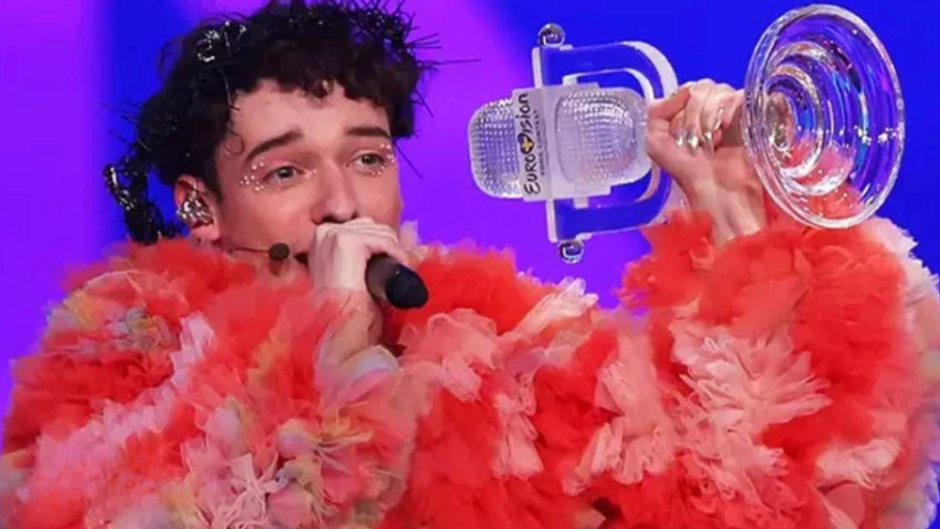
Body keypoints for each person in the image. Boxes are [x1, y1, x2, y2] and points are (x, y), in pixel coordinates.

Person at [2, 1, 938, 528]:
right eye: (285, 171)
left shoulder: (489, 338)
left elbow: (738, 495)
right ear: (200, 205)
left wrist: (736, 211)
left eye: (368, 156)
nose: (342, 201)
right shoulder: (123, 351)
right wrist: (328, 353)